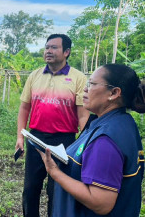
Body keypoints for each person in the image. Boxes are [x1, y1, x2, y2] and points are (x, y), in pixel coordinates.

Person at [39, 64, 145, 217]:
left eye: (92, 84)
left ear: (114, 93)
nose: (85, 89)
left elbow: (101, 203)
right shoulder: (122, 122)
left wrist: (55, 172)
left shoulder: (105, 140)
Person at [15, 34, 90, 217]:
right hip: (36, 138)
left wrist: (86, 143)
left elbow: (82, 115)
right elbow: (25, 108)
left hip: (64, 141)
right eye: (47, 47)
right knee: (31, 187)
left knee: (56, 190)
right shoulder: (35, 76)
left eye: (54, 47)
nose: (48, 51)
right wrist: (20, 137)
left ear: (66, 52)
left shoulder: (78, 78)